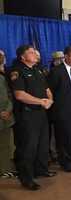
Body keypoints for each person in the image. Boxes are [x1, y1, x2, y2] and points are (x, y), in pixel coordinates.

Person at [10, 45, 56, 191]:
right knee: (28, 148)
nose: (35, 54)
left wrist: (49, 99)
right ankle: (27, 178)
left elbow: (47, 89)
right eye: (30, 52)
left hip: (41, 113)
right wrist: (41, 101)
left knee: (42, 145)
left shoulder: (38, 70)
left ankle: (41, 170)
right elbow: (19, 94)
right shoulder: (17, 71)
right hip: (27, 115)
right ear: (22, 56)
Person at [0, 50, 16, 178]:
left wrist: (8, 110)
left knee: (7, 145)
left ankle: (5, 170)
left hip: (6, 118)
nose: (3, 58)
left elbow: (10, 95)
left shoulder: (3, 76)